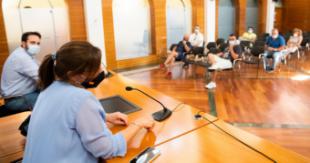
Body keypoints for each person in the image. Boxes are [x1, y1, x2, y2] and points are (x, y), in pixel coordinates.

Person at [23, 41, 155, 163]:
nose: (101, 70)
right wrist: (138, 124)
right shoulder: (82, 98)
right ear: (77, 74)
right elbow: (106, 150)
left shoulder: (48, 89)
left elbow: (64, 119)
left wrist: (105, 117)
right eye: (96, 67)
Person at [0, 31, 41, 112]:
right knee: (50, 100)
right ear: (23, 43)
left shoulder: (27, 55)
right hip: (16, 100)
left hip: (23, 95)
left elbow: (41, 68)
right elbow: (41, 76)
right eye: (32, 42)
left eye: (38, 43)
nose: (36, 46)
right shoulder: (21, 57)